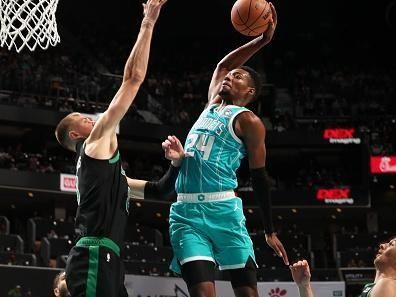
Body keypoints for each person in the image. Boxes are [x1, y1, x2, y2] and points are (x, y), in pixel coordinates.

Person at [54, 1, 183, 296]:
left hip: (109, 259)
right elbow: (133, 79)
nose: (92, 118)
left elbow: (160, 192)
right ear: (76, 133)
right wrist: (148, 22)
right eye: (83, 119)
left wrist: (175, 164)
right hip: (93, 257)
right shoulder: (94, 144)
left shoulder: (108, 175)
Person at [168, 3, 289, 297]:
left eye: (237, 77)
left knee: (247, 294)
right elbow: (222, 65)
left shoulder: (249, 121)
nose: (228, 77)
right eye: (229, 76)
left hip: (224, 211)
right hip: (186, 214)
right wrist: (262, 40)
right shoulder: (211, 104)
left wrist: (269, 228)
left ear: (250, 92)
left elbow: (260, 176)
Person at [290, 237, 396, 297]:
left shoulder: (387, 284)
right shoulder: (373, 287)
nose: (382, 245)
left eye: (391, 244)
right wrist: (304, 286)